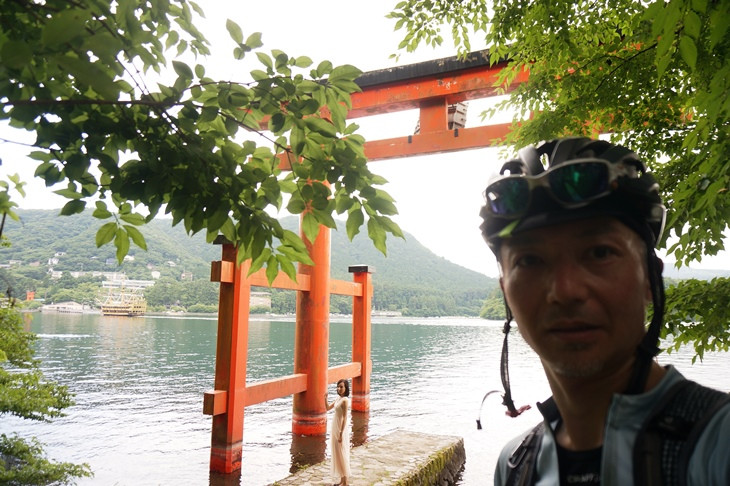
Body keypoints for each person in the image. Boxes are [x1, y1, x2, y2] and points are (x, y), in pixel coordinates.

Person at [479, 137, 730, 485]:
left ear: (649, 278)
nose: (565, 292)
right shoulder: (515, 466)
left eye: (599, 252)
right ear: (506, 289)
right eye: (530, 260)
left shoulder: (718, 446)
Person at [325, 379, 351, 486]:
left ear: (346, 388)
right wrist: (325, 398)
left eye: (341, 387)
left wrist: (341, 433)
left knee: (342, 453)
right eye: (338, 386)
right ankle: (342, 480)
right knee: (338, 454)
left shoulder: (345, 400)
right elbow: (327, 408)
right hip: (335, 428)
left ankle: (345, 482)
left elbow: (345, 418)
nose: (339, 389)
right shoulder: (338, 398)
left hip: (340, 429)